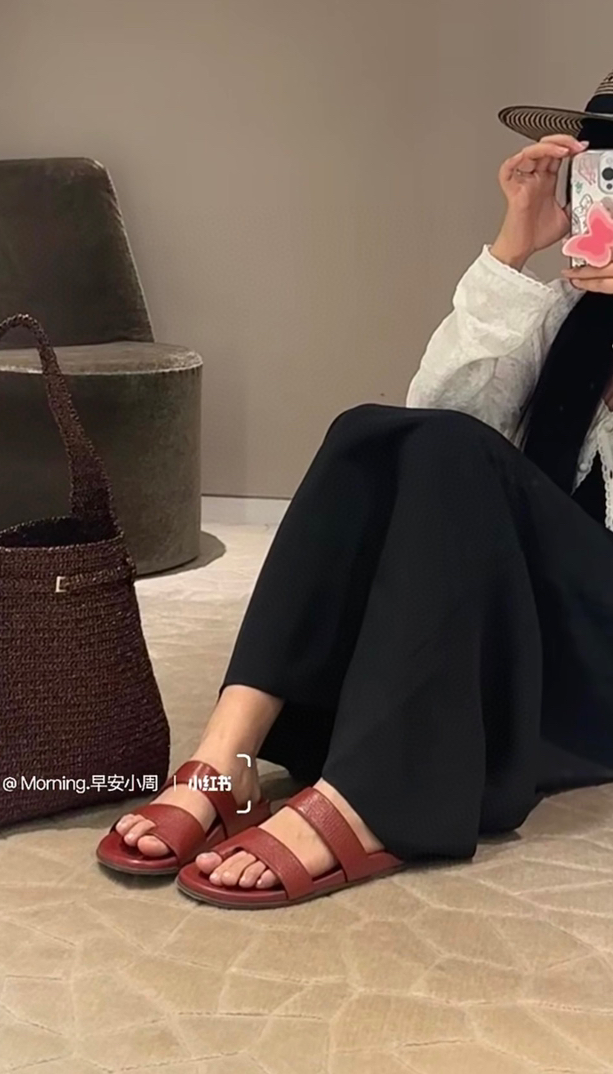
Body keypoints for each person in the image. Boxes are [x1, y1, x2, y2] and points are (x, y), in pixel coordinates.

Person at [96, 69, 613, 908]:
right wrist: (513, 249)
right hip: (545, 625)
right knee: (371, 432)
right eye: (605, 169)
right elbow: (441, 427)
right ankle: (228, 756)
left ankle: (374, 797)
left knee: (442, 448)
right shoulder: (567, 313)